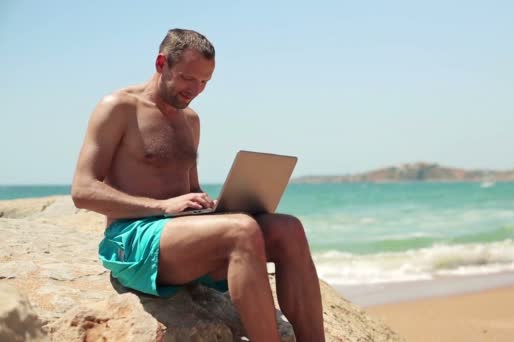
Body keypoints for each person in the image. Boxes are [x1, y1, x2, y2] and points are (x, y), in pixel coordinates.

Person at [71, 28, 325, 342]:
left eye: (205, 82)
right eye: (187, 78)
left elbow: (189, 187)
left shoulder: (189, 120)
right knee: (241, 230)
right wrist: (162, 207)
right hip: (132, 240)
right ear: (161, 63)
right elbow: (82, 191)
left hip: (180, 239)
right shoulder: (118, 107)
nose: (196, 89)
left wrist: (213, 207)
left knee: (288, 228)